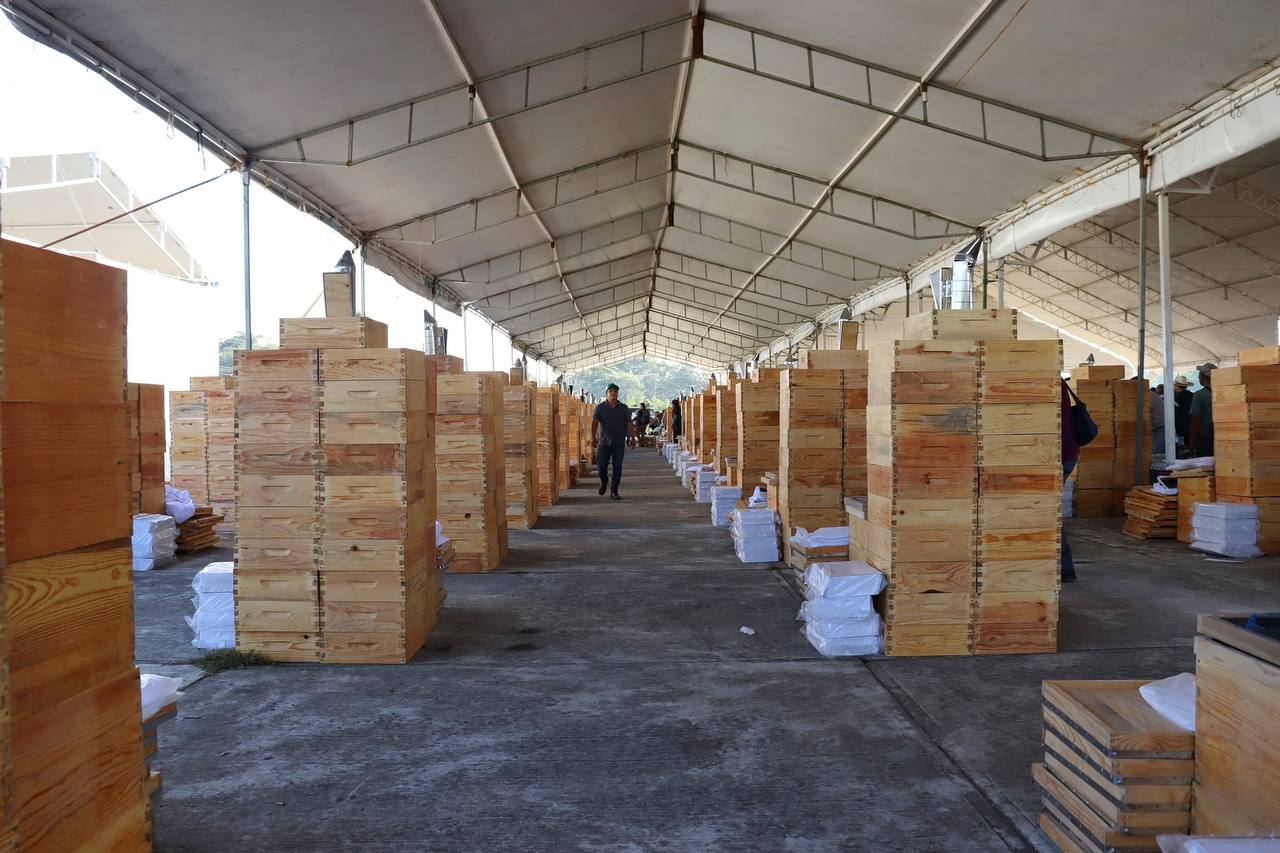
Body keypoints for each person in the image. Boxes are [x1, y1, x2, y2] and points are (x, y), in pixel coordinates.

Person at [592, 383, 637, 500]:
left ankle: (614, 491)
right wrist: (593, 437)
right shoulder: (600, 408)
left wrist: (633, 438)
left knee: (617, 467)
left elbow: (629, 423)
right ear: (606, 393)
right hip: (604, 443)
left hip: (619, 443)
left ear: (617, 393)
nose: (613, 393)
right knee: (601, 467)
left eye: (615, 391)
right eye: (610, 391)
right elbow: (594, 423)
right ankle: (604, 481)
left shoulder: (623, 408)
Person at [1061, 379, 1080, 583]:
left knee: (1046, 511)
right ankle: (1064, 567)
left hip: (1059, 454)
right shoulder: (1055, 382)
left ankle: (1064, 567)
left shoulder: (1047, 383)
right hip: (1065, 453)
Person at [1188, 363, 1216, 458]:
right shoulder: (1224, 393)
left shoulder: (1199, 395)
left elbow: (1196, 422)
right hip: (1222, 437)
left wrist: (1191, 444)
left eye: (1199, 375)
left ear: (1203, 377)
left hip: (1205, 440)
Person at [1173, 377, 1193, 454]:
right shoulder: (1192, 395)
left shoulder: (1177, 397)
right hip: (1190, 425)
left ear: (1177, 387)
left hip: (1180, 426)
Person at [1150, 384, 1165, 457]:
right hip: (1157, 428)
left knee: (1157, 457)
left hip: (1160, 429)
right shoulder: (1151, 395)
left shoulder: (1148, 396)